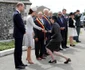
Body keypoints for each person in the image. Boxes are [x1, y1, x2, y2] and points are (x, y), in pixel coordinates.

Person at [13, 2, 27, 69]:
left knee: (19, 50)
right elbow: (20, 25)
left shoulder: (17, 13)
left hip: (19, 34)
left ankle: (20, 62)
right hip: (18, 34)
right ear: (20, 6)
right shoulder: (16, 14)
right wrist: (24, 31)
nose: (23, 8)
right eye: (23, 7)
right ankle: (18, 65)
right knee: (18, 50)